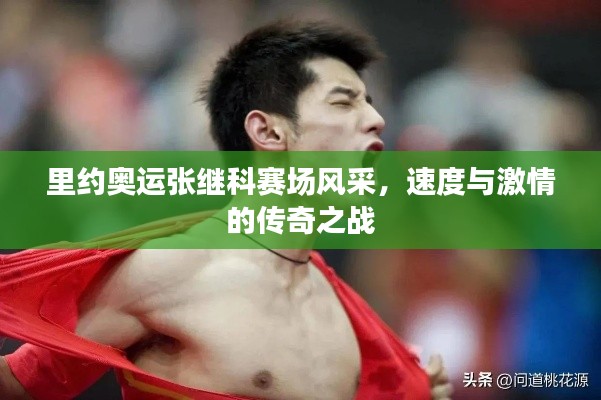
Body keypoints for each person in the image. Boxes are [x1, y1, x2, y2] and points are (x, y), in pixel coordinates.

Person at [0, 20, 452, 400]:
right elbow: (21, 384)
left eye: (369, 103)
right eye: (343, 102)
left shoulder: (345, 311)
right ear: (268, 132)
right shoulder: (166, 271)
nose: (376, 120)